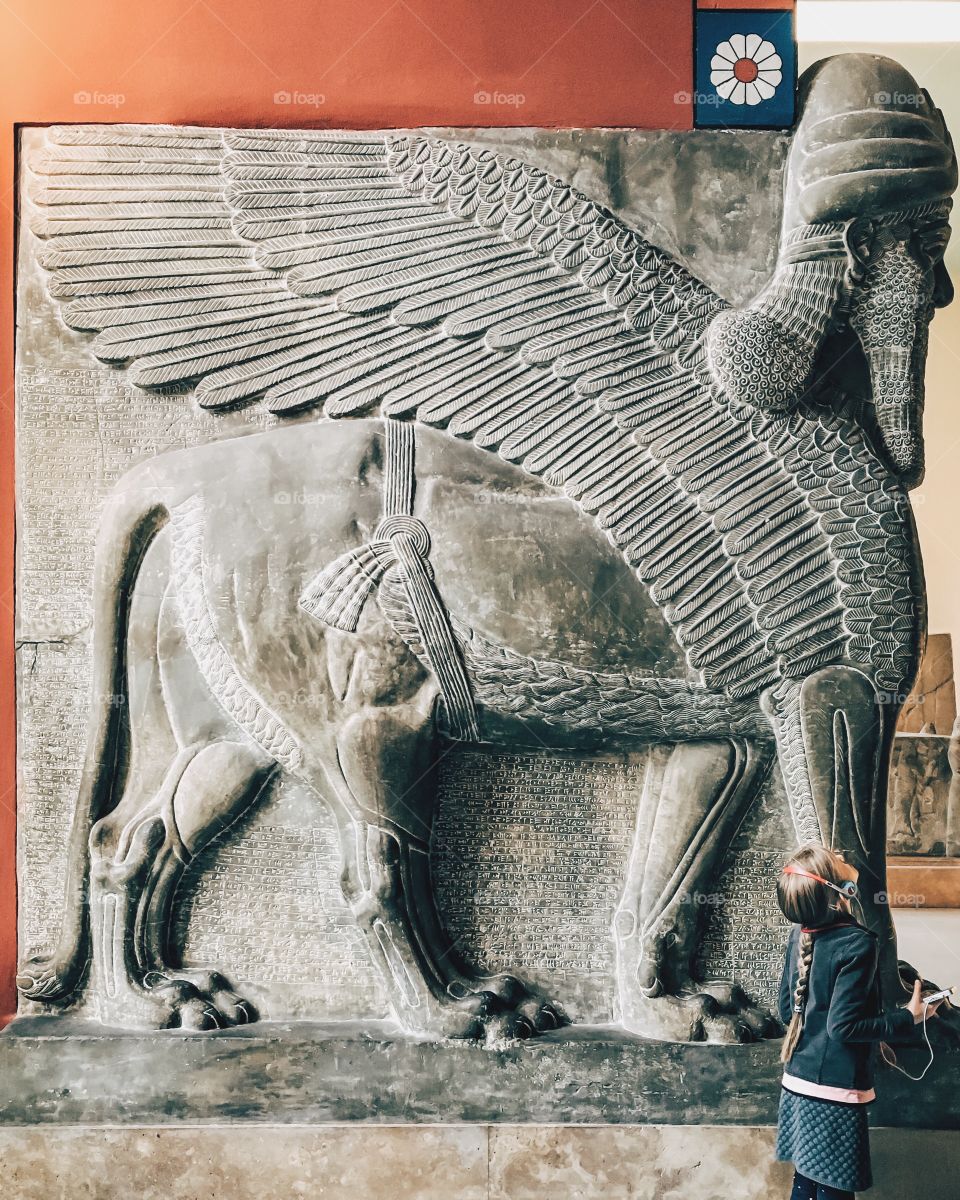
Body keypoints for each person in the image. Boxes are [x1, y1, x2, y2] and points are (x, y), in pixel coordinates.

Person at [774, 844, 942, 1199]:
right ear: (839, 893)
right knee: (835, 1191)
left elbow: (788, 1012)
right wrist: (907, 1018)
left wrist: (833, 867)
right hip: (836, 1093)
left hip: (798, 1083)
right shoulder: (857, 943)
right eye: (836, 860)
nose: (843, 856)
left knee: (807, 1181)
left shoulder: (800, 934)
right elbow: (843, 1028)